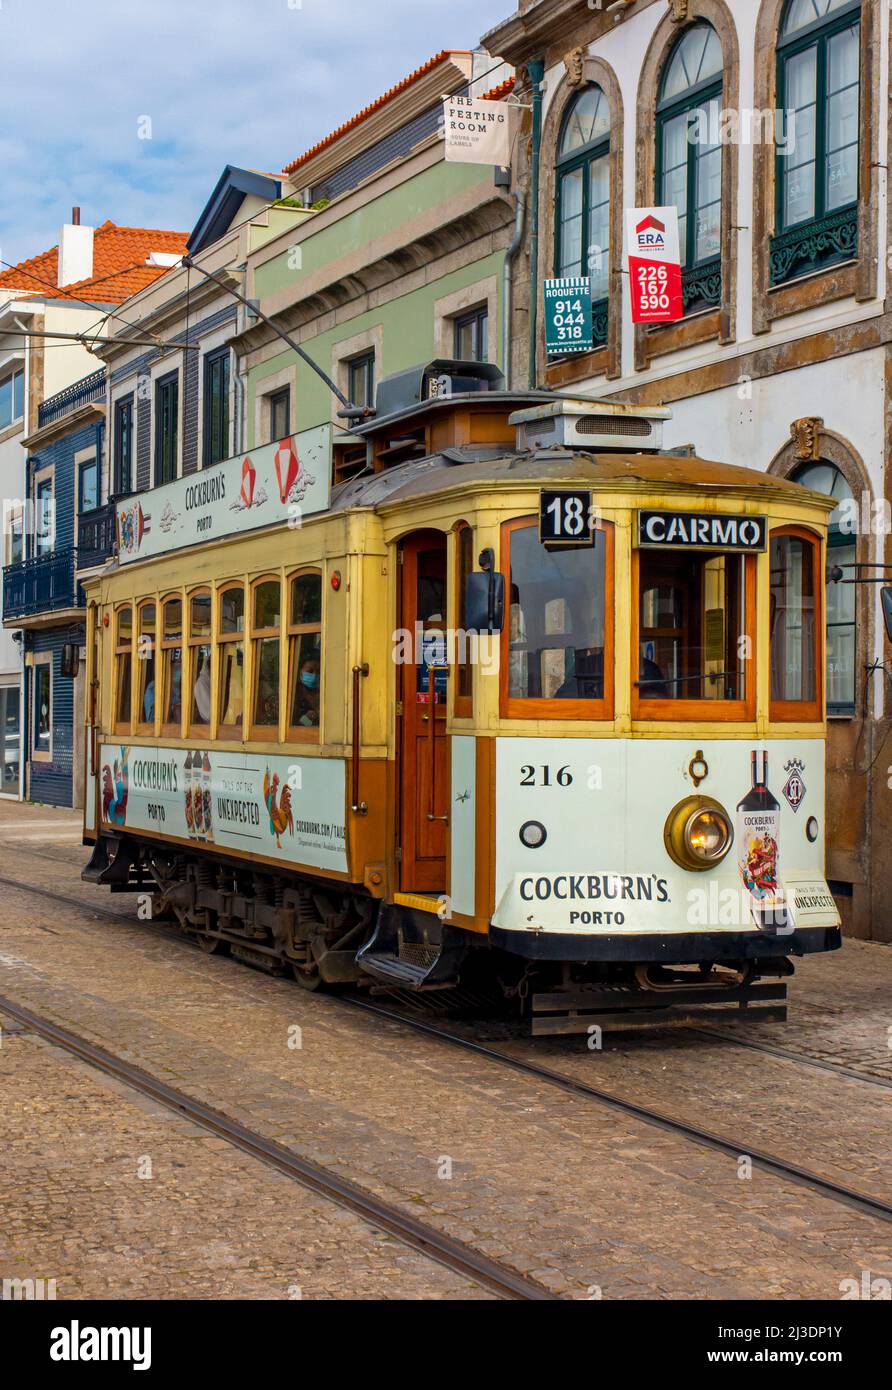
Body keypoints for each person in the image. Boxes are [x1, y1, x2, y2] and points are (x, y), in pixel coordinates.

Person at [293, 654, 320, 727]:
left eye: (318, 672)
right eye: (310, 671)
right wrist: (306, 719)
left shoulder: (323, 693)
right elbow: (292, 724)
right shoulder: (292, 694)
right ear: (300, 672)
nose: (314, 675)